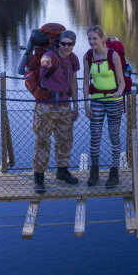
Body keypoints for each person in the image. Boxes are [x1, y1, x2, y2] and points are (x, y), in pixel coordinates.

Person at [32, 29, 80, 193]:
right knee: (43, 140)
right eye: (63, 43)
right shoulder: (50, 57)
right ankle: (39, 177)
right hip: (46, 105)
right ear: (58, 42)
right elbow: (45, 61)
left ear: (74, 44)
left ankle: (62, 171)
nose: (66, 47)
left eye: (70, 44)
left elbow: (73, 82)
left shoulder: (73, 59)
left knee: (65, 139)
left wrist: (76, 105)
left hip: (65, 105)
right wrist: (45, 61)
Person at [83, 25, 125, 187]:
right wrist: (86, 104)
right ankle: (94, 172)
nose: (92, 41)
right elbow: (86, 82)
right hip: (96, 101)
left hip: (114, 101)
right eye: (89, 39)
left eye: (94, 38)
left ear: (102, 38)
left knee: (114, 137)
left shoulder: (113, 55)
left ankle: (114, 172)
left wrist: (119, 93)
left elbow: (121, 81)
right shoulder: (88, 56)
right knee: (95, 138)